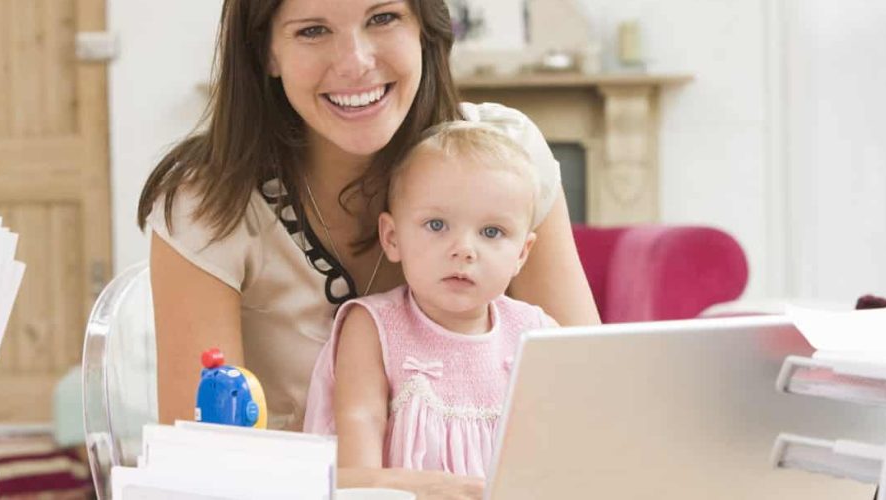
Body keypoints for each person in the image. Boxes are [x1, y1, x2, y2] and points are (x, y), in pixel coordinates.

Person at [136, 0, 598, 497]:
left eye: (383, 18)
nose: (355, 62)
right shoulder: (208, 204)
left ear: (425, 28)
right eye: (313, 30)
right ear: (265, 51)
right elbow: (197, 472)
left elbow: (594, 401)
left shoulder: (507, 159)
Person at [302, 121, 557, 478]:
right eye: (437, 225)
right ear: (392, 237)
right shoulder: (374, 327)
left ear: (521, 253)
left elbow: (564, 442)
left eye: (491, 232)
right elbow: (358, 445)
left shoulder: (536, 333)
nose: (464, 250)